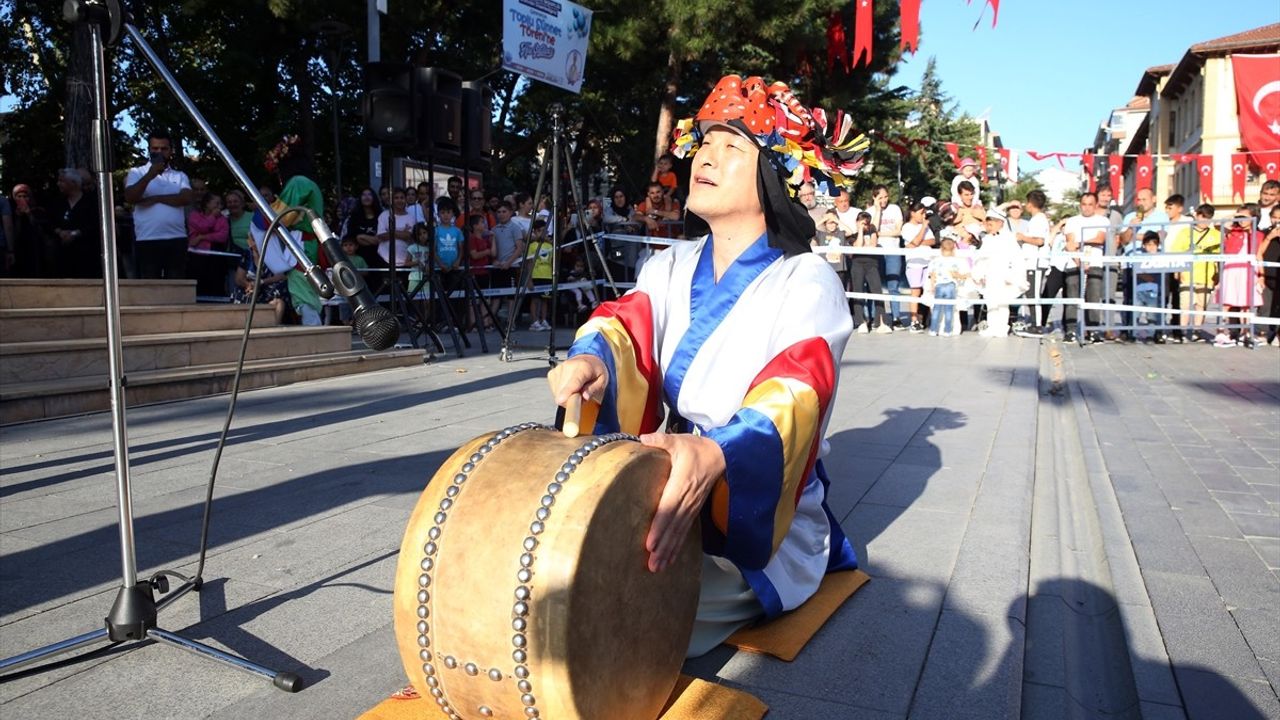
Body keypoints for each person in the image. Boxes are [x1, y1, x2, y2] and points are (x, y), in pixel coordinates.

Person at [546, 74, 864, 658]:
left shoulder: (807, 280)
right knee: (557, 566)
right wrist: (594, 360)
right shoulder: (670, 265)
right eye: (706, 143)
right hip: (671, 466)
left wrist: (719, 452)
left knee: (618, 614)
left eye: (731, 148)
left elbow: (795, 392)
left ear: (776, 174)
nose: (705, 159)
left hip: (756, 505)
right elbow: (626, 324)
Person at [251, 135, 327, 326]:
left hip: (303, 243)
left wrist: (260, 218)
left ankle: (314, 334)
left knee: (302, 291)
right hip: (306, 242)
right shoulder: (307, 182)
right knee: (306, 290)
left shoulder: (298, 183)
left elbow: (282, 216)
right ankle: (315, 331)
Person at [124, 131, 193, 279]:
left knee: (176, 288)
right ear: (149, 149)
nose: (159, 152)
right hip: (147, 238)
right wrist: (150, 175)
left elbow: (186, 198)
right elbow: (131, 197)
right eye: (155, 149)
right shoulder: (136, 172)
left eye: (164, 149)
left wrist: (156, 199)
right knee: (149, 289)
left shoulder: (180, 175)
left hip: (176, 238)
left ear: (170, 150)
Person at [1167, 203, 1221, 342]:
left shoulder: (1216, 234)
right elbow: (1176, 251)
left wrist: (1218, 274)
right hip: (1187, 274)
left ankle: (1197, 331)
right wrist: (1178, 271)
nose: (1204, 221)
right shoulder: (1185, 232)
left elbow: (1219, 256)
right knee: (1185, 304)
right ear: (1196, 215)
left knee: (1201, 305)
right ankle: (1183, 331)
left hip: (1206, 274)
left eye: (1208, 218)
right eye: (1202, 217)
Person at [1062, 192, 1110, 343]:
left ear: (1095, 205)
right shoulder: (1072, 221)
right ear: (1080, 205)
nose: (1087, 208)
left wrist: (1080, 243)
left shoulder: (1102, 220)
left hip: (1095, 263)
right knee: (1072, 297)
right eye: (1084, 204)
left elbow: (1099, 239)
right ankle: (1070, 330)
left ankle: (1093, 330)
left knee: (1093, 297)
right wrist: (1079, 261)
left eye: (1090, 204)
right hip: (1074, 263)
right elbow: (1070, 243)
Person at [1214, 208, 1263, 348]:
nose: (1241, 219)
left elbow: (1259, 255)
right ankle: (1221, 332)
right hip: (1231, 269)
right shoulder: (1232, 232)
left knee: (1247, 304)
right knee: (1226, 302)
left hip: (1248, 270)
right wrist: (1234, 216)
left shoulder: (1257, 234)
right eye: (1240, 216)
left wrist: (1261, 275)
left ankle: (1245, 333)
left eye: (1245, 217)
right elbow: (1219, 225)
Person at [974, 214, 1027, 337]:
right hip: (990, 274)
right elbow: (982, 258)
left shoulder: (1009, 238)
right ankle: (992, 326)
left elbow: (1016, 258)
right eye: (988, 224)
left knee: (1003, 302)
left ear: (1000, 223)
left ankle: (1002, 328)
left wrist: (1012, 276)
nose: (989, 227)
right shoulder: (987, 239)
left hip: (1004, 274)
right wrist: (979, 273)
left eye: (991, 224)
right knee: (990, 301)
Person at [231, 228, 291, 324]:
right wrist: (249, 285)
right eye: (253, 240)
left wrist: (261, 282)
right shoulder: (247, 254)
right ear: (249, 242)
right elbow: (239, 278)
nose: (256, 243)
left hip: (267, 287)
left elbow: (282, 276)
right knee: (241, 292)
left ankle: (274, 327)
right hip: (251, 288)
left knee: (281, 288)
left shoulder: (272, 254)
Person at [50, 168, 101, 278]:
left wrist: (75, 234)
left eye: (62, 181)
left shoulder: (91, 202)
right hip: (63, 256)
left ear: (73, 183)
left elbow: (95, 225)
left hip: (87, 255)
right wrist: (60, 232)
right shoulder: (58, 202)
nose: (59, 184)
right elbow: (51, 223)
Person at [868, 185, 904, 327]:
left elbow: (898, 230)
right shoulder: (870, 211)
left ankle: (896, 317)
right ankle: (874, 317)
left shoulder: (895, 209)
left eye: (885, 197)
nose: (884, 200)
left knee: (893, 285)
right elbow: (872, 230)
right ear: (874, 198)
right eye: (880, 197)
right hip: (876, 252)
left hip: (893, 251)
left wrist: (880, 234)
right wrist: (877, 210)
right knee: (874, 286)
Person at [848, 211, 890, 334]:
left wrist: (871, 230)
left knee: (877, 291)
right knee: (858, 292)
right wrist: (860, 231)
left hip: (872, 264)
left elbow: (873, 245)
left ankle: (881, 321)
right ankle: (861, 321)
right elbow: (858, 246)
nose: (865, 225)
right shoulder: (852, 235)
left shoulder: (873, 232)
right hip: (857, 264)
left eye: (866, 223)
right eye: (862, 223)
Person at [901, 201, 935, 332]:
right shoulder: (907, 227)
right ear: (913, 213)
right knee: (915, 292)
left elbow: (932, 241)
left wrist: (919, 242)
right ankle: (914, 320)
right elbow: (913, 242)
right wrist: (922, 230)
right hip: (914, 263)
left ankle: (933, 319)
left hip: (928, 262)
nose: (923, 216)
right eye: (921, 213)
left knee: (929, 290)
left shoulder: (926, 227)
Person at [927, 237, 967, 336]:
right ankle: (948, 330)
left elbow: (932, 275)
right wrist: (961, 276)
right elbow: (959, 275)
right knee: (949, 309)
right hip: (951, 286)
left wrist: (932, 286)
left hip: (938, 286)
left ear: (941, 248)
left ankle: (933, 329)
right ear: (954, 249)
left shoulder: (935, 261)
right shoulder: (957, 261)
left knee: (937, 308)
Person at [523, 218, 555, 331]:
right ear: (535, 232)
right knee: (535, 299)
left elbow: (552, 261)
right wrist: (529, 279)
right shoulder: (532, 246)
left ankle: (544, 319)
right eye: (540, 231)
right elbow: (528, 263)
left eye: (545, 231)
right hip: (536, 275)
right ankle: (534, 321)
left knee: (545, 299)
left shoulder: (550, 246)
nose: (543, 233)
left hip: (547, 276)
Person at [343, 187, 383, 268]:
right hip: (359, 258)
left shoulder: (381, 216)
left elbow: (380, 239)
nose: (366, 197)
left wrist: (362, 237)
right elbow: (354, 238)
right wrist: (369, 239)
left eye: (369, 194)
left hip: (379, 256)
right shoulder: (354, 217)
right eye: (364, 195)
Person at [377, 188, 415, 269]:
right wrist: (402, 232)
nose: (399, 200)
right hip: (385, 259)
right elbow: (381, 236)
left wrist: (390, 232)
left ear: (405, 200)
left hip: (406, 261)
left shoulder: (411, 217)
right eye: (396, 198)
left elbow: (408, 236)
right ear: (391, 200)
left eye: (402, 198)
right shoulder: (384, 215)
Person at [1258, 205, 1280, 345]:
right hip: (1266, 276)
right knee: (1265, 306)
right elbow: (1259, 252)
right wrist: (1269, 238)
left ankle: (1277, 334)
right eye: (1274, 217)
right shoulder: (1265, 233)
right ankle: (1263, 333)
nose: (1277, 221)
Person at [812, 210, 848, 288]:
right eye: (829, 223)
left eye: (833, 223)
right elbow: (811, 228)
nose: (831, 225)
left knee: (840, 289)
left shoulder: (841, 234)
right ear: (825, 224)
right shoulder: (821, 235)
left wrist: (836, 219)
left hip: (839, 268)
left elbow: (850, 232)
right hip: (826, 268)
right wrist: (824, 219)